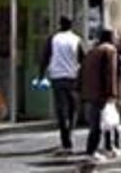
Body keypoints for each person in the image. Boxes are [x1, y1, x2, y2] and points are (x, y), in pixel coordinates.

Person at [40, 16, 85, 155]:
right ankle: (70, 133)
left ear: (60, 24)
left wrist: (41, 75)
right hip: (73, 77)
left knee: (61, 109)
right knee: (73, 109)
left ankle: (65, 140)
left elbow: (45, 57)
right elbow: (83, 59)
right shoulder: (76, 40)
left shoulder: (53, 39)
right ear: (72, 25)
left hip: (57, 77)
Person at [80, 29, 120, 163]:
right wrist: (112, 93)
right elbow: (110, 73)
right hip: (102, 93)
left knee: (99, 123)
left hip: (91, 92)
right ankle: (92, 151)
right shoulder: (110, 50)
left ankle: (106, 148)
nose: (117, 40)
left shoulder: (93, 51)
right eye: (115, 37)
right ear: (110, 38)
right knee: (103, 123)